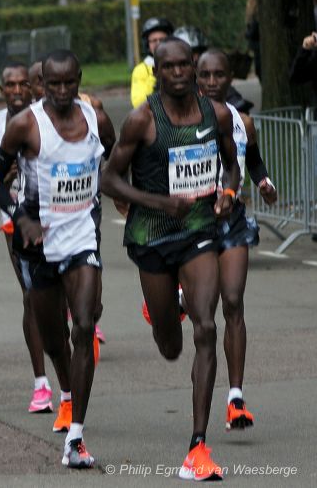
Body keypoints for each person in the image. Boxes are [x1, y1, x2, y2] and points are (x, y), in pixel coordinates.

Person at [101, 38, 240, 481]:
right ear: (157, 71)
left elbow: (231, 165)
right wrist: (158, 202)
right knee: (170, 345)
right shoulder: (143, 120)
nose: (180, 72)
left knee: (207, 328)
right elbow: (109, 179)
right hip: (152, 238)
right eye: (170, 66)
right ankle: (164, 314)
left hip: (199, 232)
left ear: (194, 68)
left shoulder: (214, 113)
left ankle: (197, 446)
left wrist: (229, 193)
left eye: (187, 65)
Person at [0, 50, 115, 469]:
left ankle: (76, 435)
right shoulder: (26, 123)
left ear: (79, 80)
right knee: (54, 337)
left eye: (69, 83)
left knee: (83, 324)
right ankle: (65, 390)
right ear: (41, 83)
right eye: (53, 84)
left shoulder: (96, 118)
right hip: (37, 241)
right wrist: (19, 216)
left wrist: (118, 194)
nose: (62, 92)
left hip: (81, 234)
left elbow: (118, 156)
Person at [195, 49, 277, 431]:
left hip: (233, 220)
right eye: (205, 75)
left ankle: (235, 398)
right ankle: (178, 297)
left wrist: (262, 182)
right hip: (194, 224)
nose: (212, 81)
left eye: (219, 75)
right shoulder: (184, 120)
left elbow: (253, 160)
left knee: (232, 302)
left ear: (231, 78)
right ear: (196, 78)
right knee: (203, 312)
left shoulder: (243, 122)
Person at [0, 62, 58, 414]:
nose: (16, 90)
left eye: (22, 84)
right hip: (16, 219)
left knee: (56, 297)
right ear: (1, 90)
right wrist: (0, 176)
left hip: (60, 217)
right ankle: (41, 383)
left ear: (32, 87)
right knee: (31, 296)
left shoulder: (46, 118)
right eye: (9, 84)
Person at [130, 17, 173, 108]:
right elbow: (138, 104)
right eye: (154, 40)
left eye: (162, 39)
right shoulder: (140, 70)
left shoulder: (180, 63)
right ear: (147, 44)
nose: (158, 43)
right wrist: (154, 75)